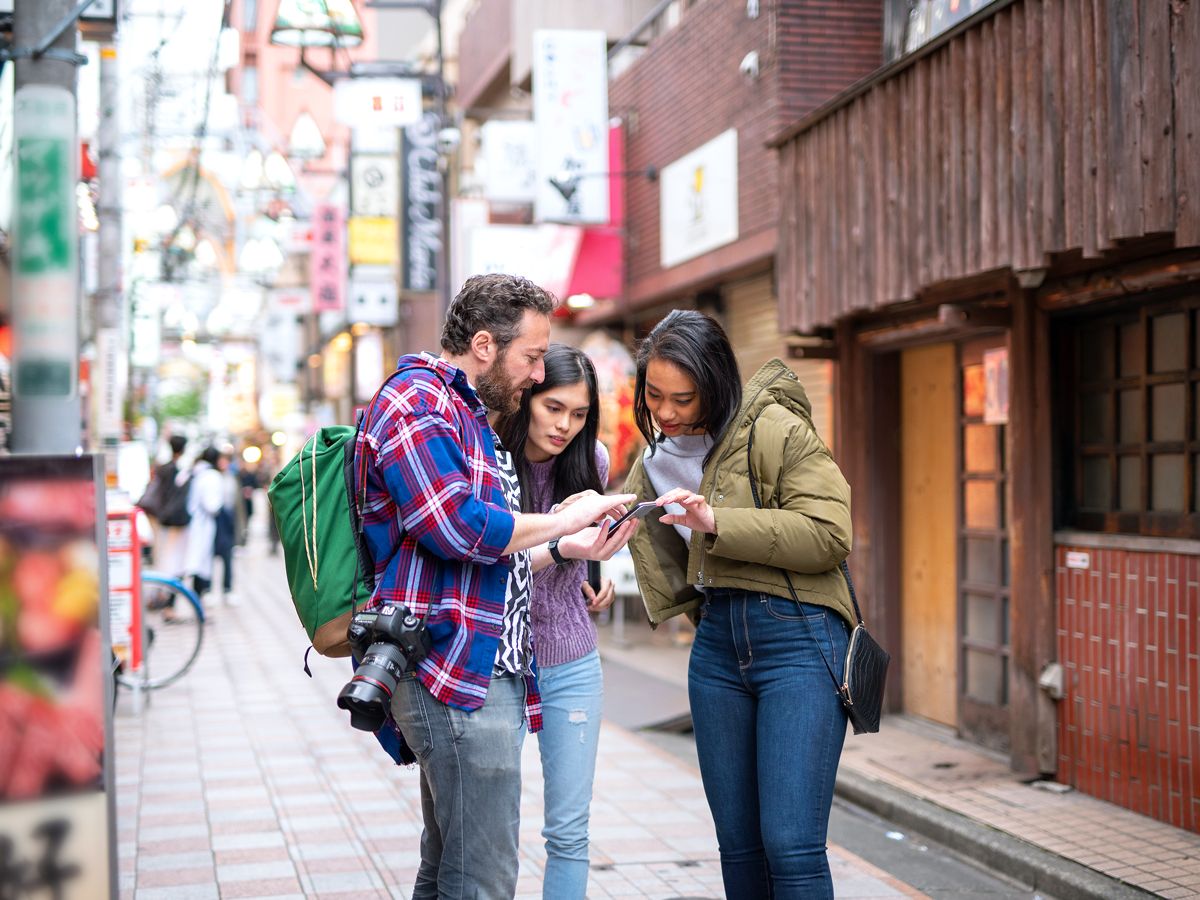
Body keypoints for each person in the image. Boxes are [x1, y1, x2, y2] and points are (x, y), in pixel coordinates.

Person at [354, 274, 638, 899]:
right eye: (532, 357)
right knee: (481, 879)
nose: (537, 374)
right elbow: (458, 527)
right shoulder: (417, 403)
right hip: (452, 669)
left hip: (478, 669)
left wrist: (568, 550)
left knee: (448, 868)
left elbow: (488, 555)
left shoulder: (465, 413)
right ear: (484, 345)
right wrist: (565, 521)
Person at [623, 310, 855, 899]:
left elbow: (830, 534)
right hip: (717, 645)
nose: (666, 412)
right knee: (739, 846)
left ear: (716, 382)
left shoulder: (775, 428)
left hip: (798, 637)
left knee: (791, 844)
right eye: (654, 395)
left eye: (683, 398)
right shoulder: (651, 462)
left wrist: (718, 522)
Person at [494, 344, 614, 900]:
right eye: (554, 408)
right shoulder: (490, 460)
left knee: (569, 831)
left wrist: (594, 571)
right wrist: (564, 547)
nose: (566, 425)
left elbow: (582, 548)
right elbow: (494, 561)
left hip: (571, 659)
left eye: (580, 414)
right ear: (527, 399)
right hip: (499, 664)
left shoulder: (593, 462)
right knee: (489, 831)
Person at [183, 446, 224, 605]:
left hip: (190, 523)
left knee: (192, 561)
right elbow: (212, 505)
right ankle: (197, 601)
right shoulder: (211, 476)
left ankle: (195, 601)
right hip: (202, 524)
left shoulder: (195, 472)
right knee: (200, 563)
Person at [211, 449, 239, 606]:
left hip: (228, 521)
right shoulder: (213, 477)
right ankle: (207, 589)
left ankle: (227, 589)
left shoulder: (232, 478)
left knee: (227, 557)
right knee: (210, 556)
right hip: (215, 520)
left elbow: (237, 503)